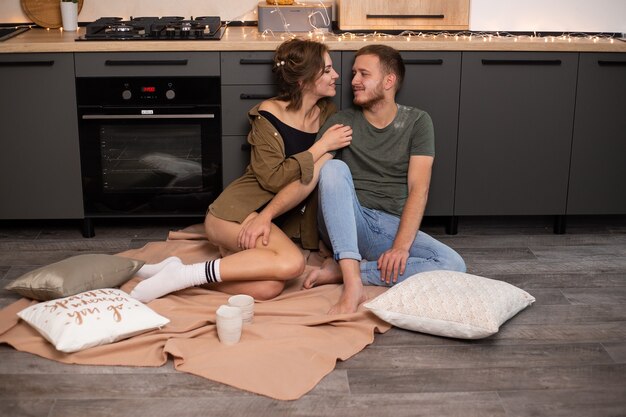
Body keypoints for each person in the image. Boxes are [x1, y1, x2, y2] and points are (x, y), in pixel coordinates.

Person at [130, 38, 352, 303]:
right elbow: (273, 177)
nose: (336, 75)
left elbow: (310, 179)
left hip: (269, 222)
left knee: (267, 288)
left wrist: (269, 217)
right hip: (234, 214)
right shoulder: (267, 115)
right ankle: (183, 274)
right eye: (327, 70)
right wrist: (321, 147)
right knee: (292, 264)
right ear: (303, 81)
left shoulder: (327, 113)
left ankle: (180, 275)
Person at [304, 45, 466, 314]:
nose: (353, 81)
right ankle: (353, 282)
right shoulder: (342, 120)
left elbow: (419, 189)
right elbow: (312, 174)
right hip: (347, 219)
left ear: (389, 81)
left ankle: (349, 270)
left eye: (363, 74)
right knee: (333, 170)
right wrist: (269, 213)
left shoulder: (417, 122)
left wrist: (401, 248)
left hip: (387, 227)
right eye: (354, 73)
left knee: (452, 264)